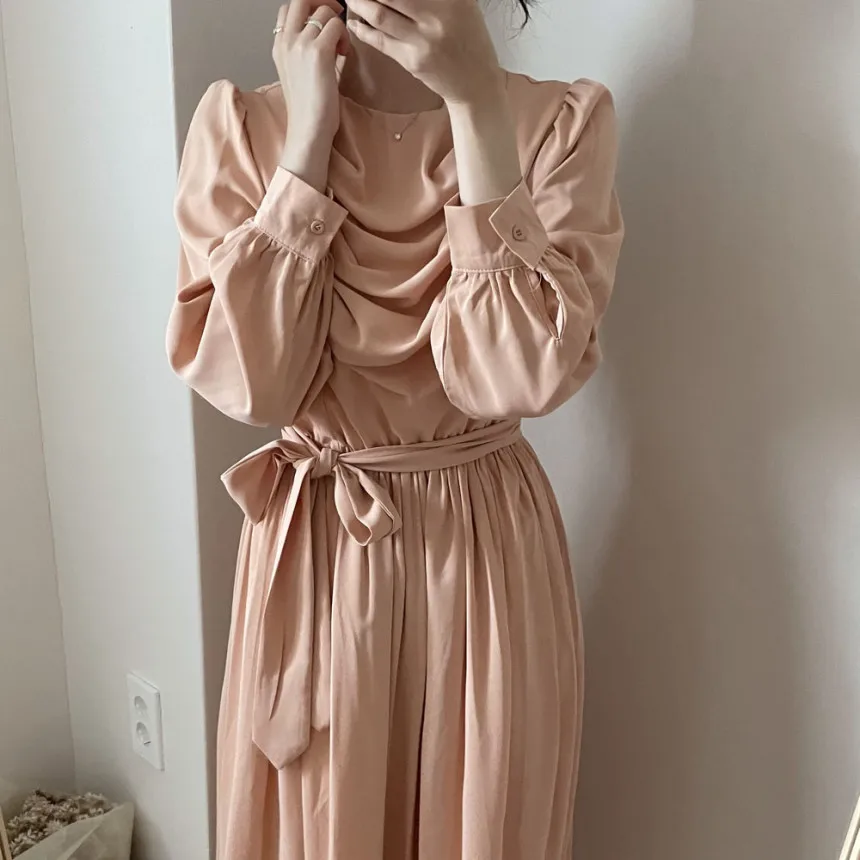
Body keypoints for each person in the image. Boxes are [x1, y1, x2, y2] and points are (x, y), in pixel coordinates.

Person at [166, 0, 623, 854]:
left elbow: (513, 377)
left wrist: (476, 107)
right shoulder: (243, 128)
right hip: (320, 554)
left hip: (483, 554)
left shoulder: (560, 125)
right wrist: (308, 142)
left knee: (478, 817)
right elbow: (257, 385)